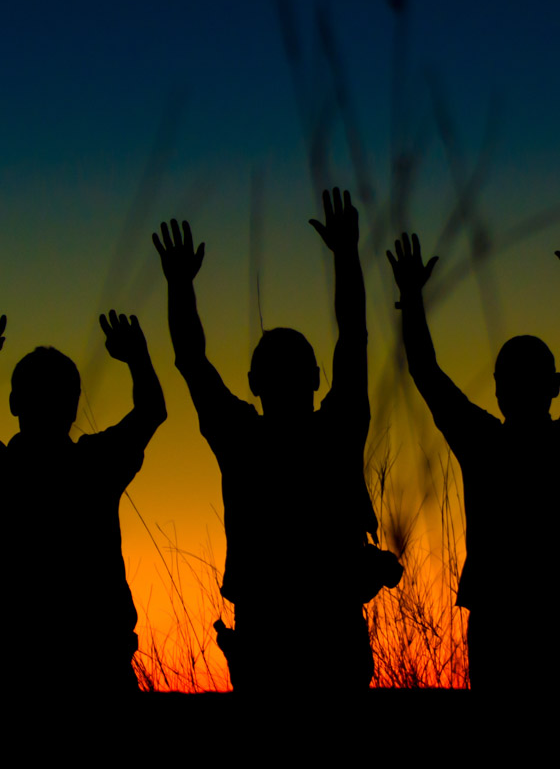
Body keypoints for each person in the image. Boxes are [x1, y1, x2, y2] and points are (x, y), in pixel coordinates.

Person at [155, 187, 398, 693]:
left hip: (267, 633)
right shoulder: (339, 428)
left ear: (253, 383)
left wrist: (180, 286)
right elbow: (354, 337)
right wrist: (346, 254)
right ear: (316, 378)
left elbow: (191, 360)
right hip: (333, 633)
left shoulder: (241, 437)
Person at [387, 225, 560, 693]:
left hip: (501, 618)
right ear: (555, 386)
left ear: (498, 389)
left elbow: (426, 370)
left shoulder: (484, 443)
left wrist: (412, 299)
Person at [0, 307, 165, 691]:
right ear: (73, 406)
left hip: (25, 672)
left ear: (14, 404)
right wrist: (137, 358)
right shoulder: (95, 466)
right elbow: (151, 411)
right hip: (102, 670)